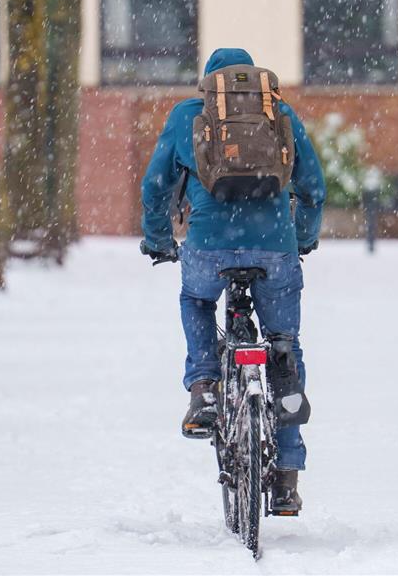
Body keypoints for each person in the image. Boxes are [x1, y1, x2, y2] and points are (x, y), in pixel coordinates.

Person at [139, 48, 326, 514]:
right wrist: (301, 239)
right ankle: (285, 479)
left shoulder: (190, 114)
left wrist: (158, 239)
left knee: (196, 300)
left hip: (208, 246)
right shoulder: (277, 111)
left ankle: (203, 387)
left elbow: (155, 186)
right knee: (285, 342)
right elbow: (313, 186)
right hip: (274, 247)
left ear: (210, 84)